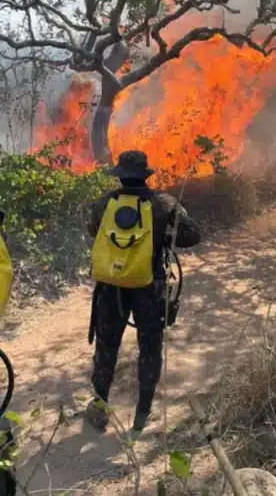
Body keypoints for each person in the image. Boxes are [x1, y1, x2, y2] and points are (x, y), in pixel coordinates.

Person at [84, 150, 201, 437]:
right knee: (149, 348)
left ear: (120, 175)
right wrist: (160, 235)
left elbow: (92, 231)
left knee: (106, 348)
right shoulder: (162, 203)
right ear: (144, 174)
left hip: (111, 288)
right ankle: (142, 413)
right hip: (150, 289)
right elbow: (192, 235)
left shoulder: (105, 203)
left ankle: (99, 409)